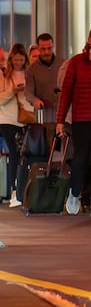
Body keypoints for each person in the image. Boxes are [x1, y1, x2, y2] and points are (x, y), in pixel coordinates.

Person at [56, 25, 91, 220]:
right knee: (80, 160)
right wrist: (60, 120)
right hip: (81, 119)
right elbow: (66, 93)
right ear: (89, 39)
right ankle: (74, 193)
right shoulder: (76, 62)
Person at [0, 44, 31, 206]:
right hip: (7, 119)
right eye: (16, 59)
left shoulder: (29, 73)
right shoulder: (5, 74)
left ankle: (23, 189)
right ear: (11, 59)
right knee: (14, 153)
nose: (18, 62)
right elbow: (1, 99)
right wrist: (13, 90)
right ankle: (14, 189)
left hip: (25, 119)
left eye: (21, 59)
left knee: (24, 155)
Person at [24, 32, 64, 147]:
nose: (46, 52)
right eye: (43, 49)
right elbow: (28, 91)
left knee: (66, 147)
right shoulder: (31, 70)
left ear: (53, 47)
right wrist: (35, 100)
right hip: (45, 115)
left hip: (64, 113)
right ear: (38, 48)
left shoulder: (63, 64)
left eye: (49, 48)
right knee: (48, 146)